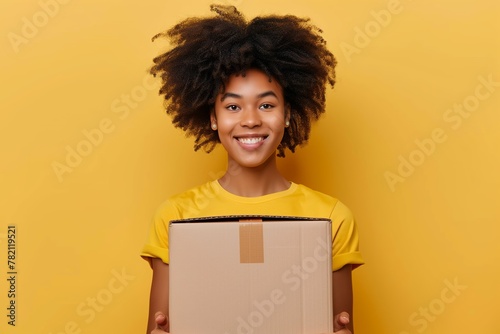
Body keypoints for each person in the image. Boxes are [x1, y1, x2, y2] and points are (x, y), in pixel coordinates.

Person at [141, 4, 364, 334]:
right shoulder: (176, 216)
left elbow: (336, 323)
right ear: (213, 118)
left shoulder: (331, 218)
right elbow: (158, 326)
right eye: (233, 106)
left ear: (287, 114)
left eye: (266, 104)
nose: (250, 120)